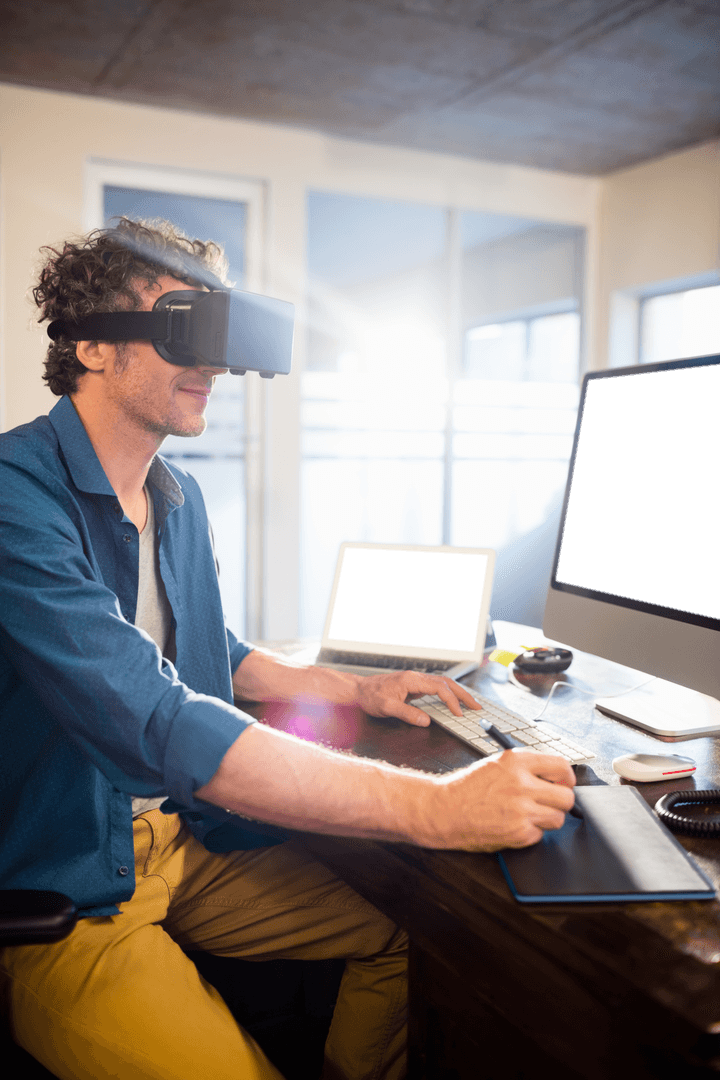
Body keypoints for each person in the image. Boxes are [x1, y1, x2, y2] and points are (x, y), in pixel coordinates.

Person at [0, 218, 576, 1080]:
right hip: (70, 887)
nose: (213, 363)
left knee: (410, 937)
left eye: (221, 334)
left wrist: (351, 688)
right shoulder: (16, 498)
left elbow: (210, 650)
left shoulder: (177, 497)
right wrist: (440, 808)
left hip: (182, 841)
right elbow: (155, 717)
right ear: (90, 345)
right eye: (184, 328)